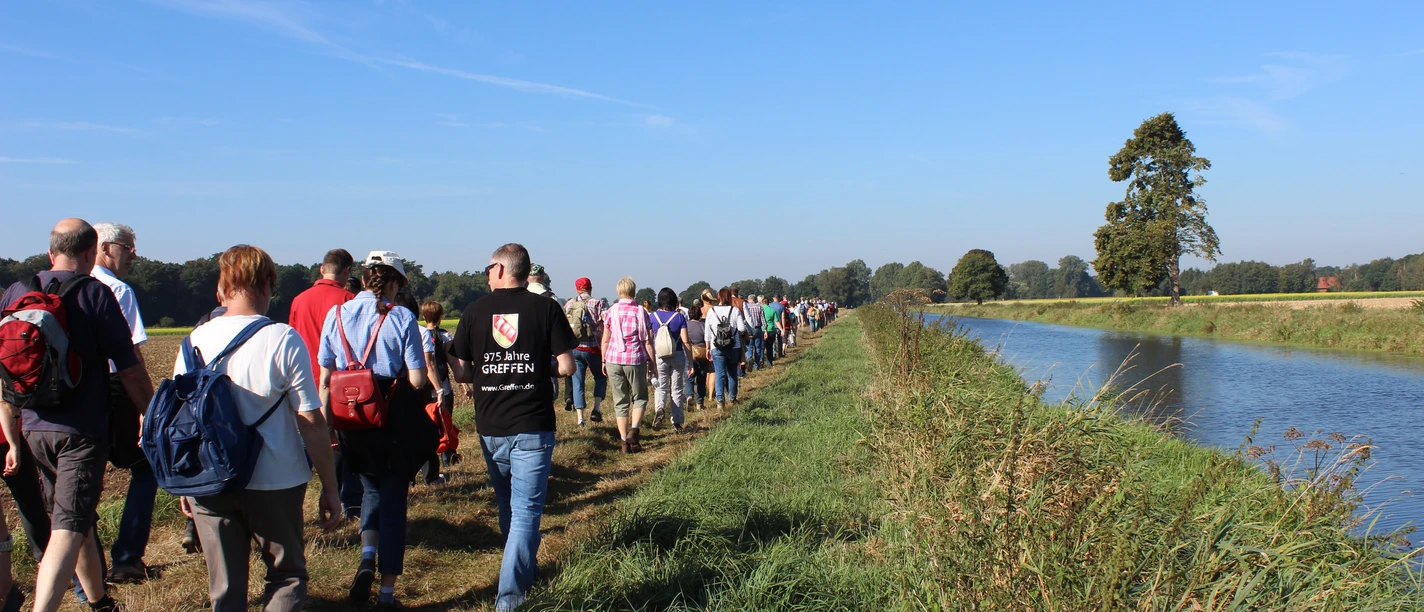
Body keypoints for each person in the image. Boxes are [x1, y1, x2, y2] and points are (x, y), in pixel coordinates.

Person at [177, 245, 343, 612]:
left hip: (210, 480)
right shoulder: (282, 338)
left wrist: (185, 485)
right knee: (287, 578)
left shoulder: (193, 341)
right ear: (269, 284)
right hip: (275, 479)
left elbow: (182, 423)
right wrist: (331, 487)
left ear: (221, 288)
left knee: (225, 589)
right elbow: (311, 421)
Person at [0, 219, 154, 612]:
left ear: (51, 250)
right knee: (67, 527)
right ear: (90, 253)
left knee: (74, 516)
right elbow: (129, 367)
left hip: (34, 428)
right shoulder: (95, 293)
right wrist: (150, 413)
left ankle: (100, 602)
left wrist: (13, 434)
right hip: (81, 431)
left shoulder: (17, 292)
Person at [448, 243, 575, 611]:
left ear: (502, 269)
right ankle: (511, 597)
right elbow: (566, 367)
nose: (486, 273)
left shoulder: (474, 312)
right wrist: (537, 368)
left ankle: (517, 582)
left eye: (488, 267)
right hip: (532, 423)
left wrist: (463, 368)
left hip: (491, 425)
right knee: (526, 511)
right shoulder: (546, 308)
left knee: (510, 506)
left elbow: (463, 371)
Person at [318, 251, 432, 608]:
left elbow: (324, 378)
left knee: (369, 490)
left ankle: (367, 555)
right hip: (390, 417)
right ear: (394, 283)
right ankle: (386, 593)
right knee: (395, 500)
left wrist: (329, 429)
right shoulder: (401, 317)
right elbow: (416, 378)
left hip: (351, 420)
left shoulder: (335, 314)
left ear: (365, 278)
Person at [88, 222, 156, 586]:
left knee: (84, 480)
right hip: (116, 388)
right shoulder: (118, 290)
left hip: (74, 394)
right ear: (104, 247)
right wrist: (148, 407)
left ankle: (84, 566)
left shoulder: (66, 287)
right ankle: (127, 559)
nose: (134, 254)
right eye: (127, 247)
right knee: (146, 466)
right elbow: (131, 357)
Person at [288, 249, 361, 518]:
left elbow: (292, 339)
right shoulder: (348, 300)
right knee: (346, 447)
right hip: (340, 385)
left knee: (305, 447)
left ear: (321, 269)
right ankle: (350, 504)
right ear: (347, 271)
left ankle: (294, 505)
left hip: (304, 382)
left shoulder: (299, 300)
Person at [601, 277, 656, 452]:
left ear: (619, 291)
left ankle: (624, 441)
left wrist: (603, 360)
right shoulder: (641, 312)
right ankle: (635, 430)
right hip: (635, 359)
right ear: (633, 291)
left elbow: (605, 340)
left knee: (620, 400)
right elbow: (647, 341)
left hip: (614, 358)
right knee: (640, 397)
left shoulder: (611, 311)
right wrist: (652, 362)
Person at [419, 301, 459, 471]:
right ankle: (447, 457)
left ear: (424, 316)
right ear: (441, 316)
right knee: (445, 423)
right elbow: (453, 362)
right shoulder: (445, 336)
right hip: (444, 387)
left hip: (426, 388)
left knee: (427, 424)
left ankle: (427, 460)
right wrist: (464, 384)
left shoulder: (419, 335)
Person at [563, 278, 607, 427]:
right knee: (600, 377)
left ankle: (580, 418)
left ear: (577, 289)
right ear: (590, 288)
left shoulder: (569, 304)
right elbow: (607, 322)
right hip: (594, 348)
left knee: (577, 382)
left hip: (575, 348)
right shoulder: (598, 303)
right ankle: (596, 409)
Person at [647, 288, 691, 431]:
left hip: (659, 356)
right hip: (677, 354)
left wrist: (650, 361)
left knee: (661, 386)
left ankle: (660, 408)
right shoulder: (680, 317)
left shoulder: (652, 317)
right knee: (676, 389)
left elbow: (649, 340)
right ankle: (677, 422)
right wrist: (691, 362)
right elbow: (685, 341)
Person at [704, 288, 746, 410]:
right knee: (732, 373)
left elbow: (707, 333)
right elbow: (742, 329)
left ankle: (720, 402)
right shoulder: (735, 310)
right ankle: (732, 398)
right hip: (733, 346)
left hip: (716, 347)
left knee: (720, 374)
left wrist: (707, 348)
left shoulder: (711, 311)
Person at [684, 304, 711, 411]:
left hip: (689, 354)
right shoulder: (703, 326)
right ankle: (700, 403)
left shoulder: (685, 325)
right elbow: (707, 339)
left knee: (689, 378)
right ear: (700, 314)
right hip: (702, 354)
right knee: (701, 380)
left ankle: (689, 396)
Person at [761, 295, 784, 367]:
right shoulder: (772, 310)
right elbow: (777, 321)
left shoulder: (760, 309)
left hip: (762, 330)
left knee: (761, 347)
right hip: (771, 330)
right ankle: (769, 363)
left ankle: (761, 362)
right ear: (768, 303)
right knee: (770, 347)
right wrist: (781, 329)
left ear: (762, 303)